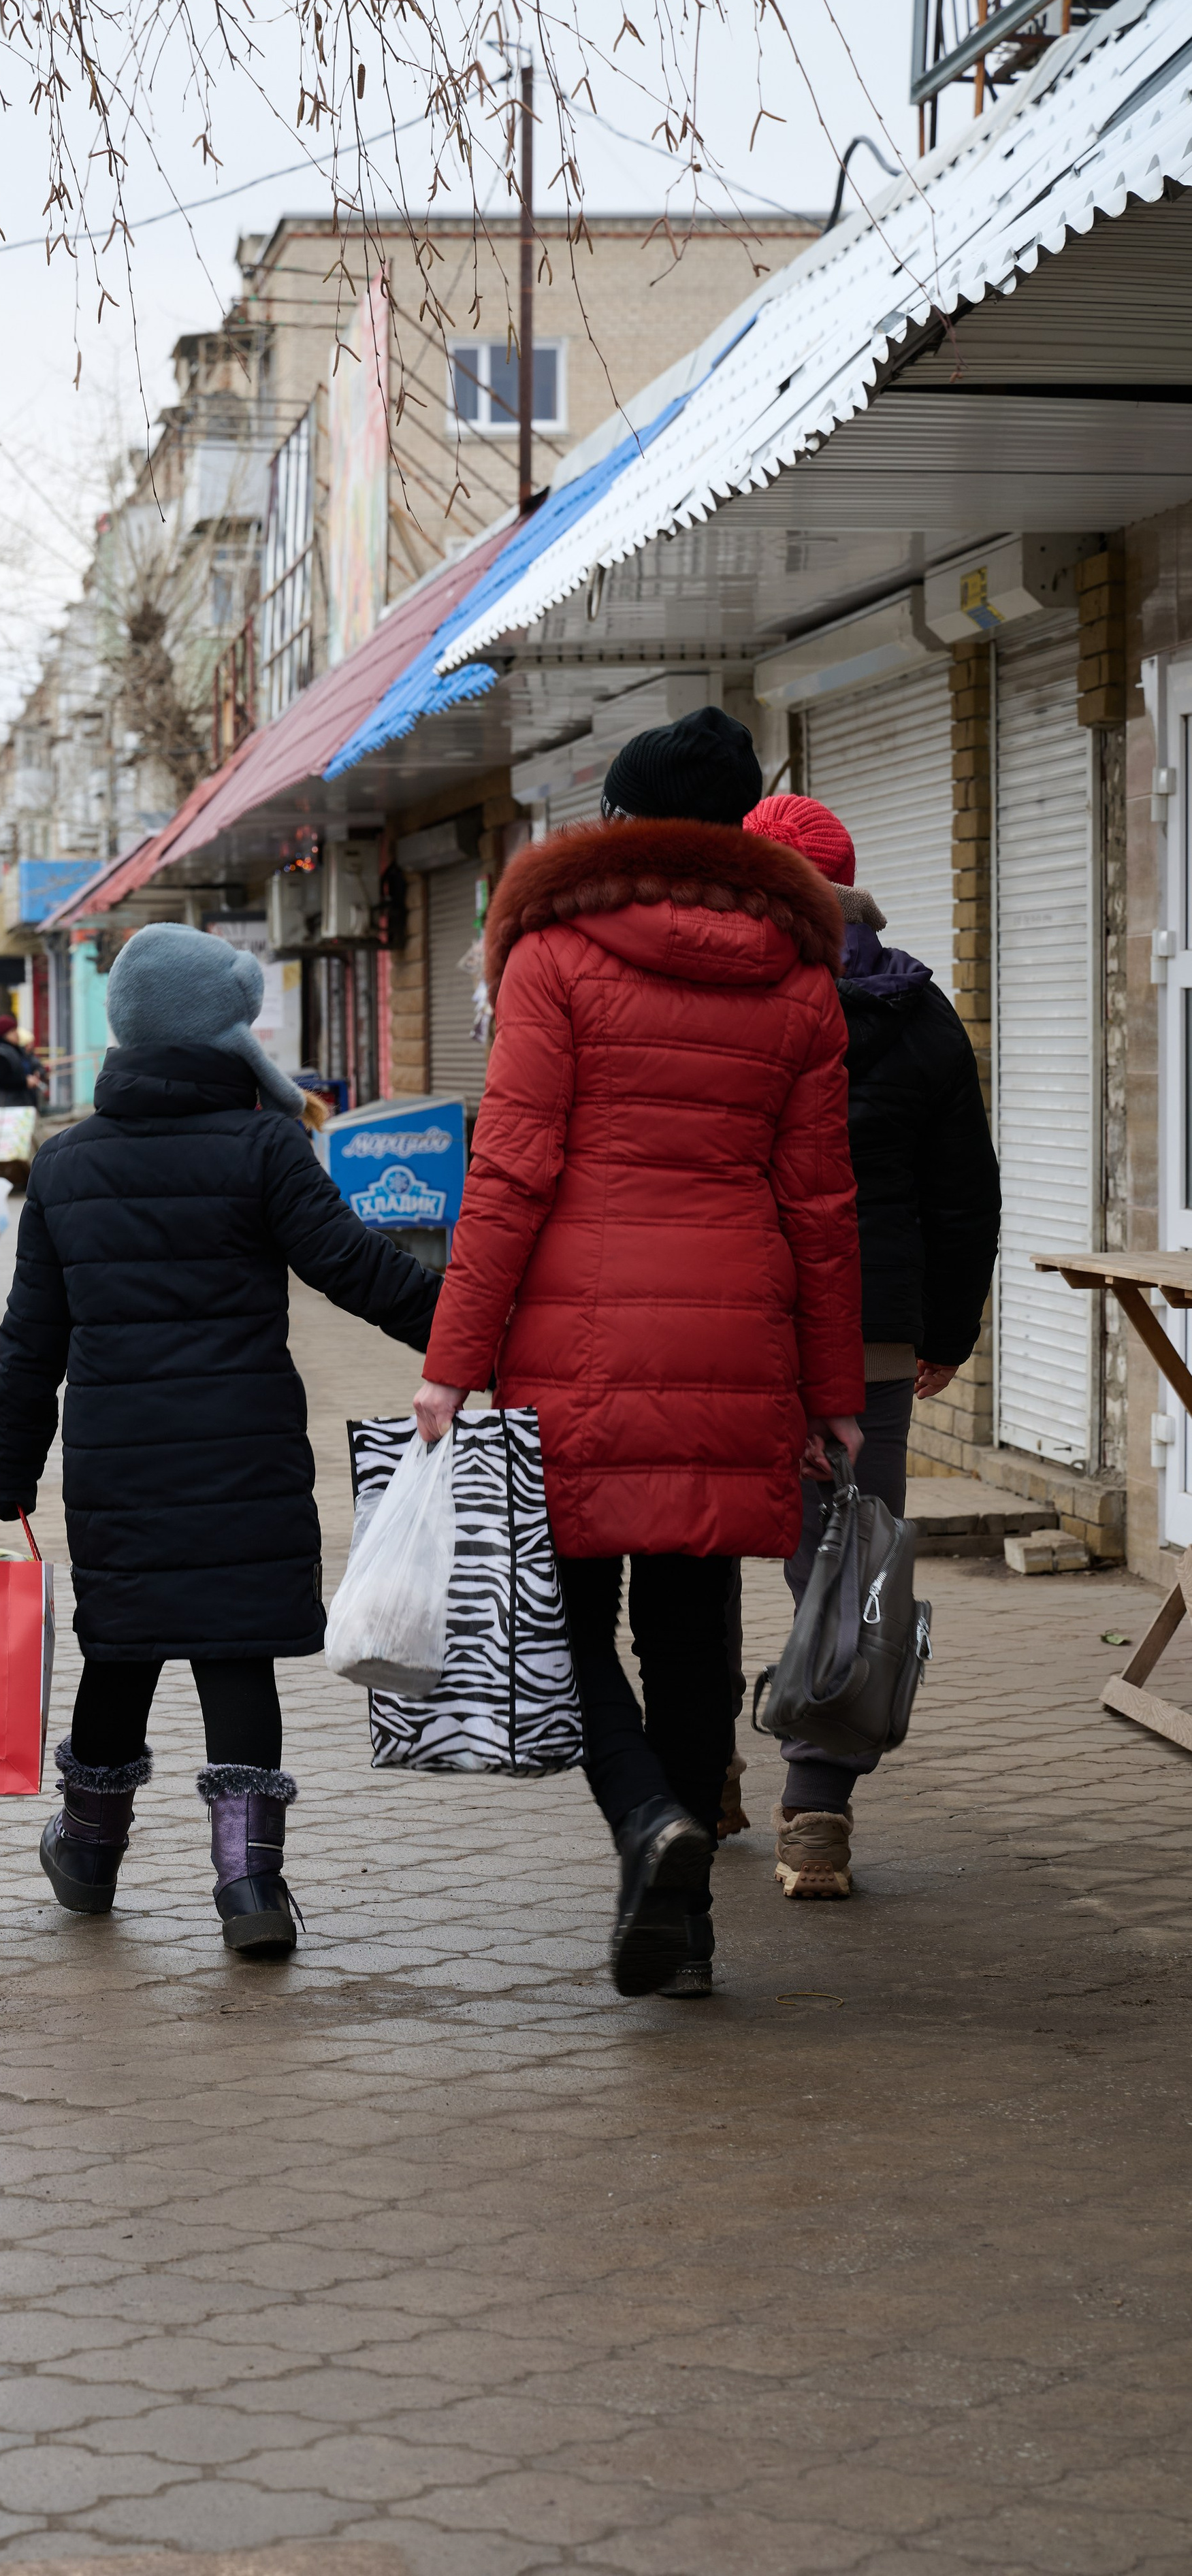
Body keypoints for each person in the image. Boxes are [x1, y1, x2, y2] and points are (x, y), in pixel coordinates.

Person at [414, 708, 865, 2002]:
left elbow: (506, 1173)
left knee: (559, 1613)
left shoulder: (555, 957)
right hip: (738, 1327)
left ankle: (645, 1824)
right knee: (691, 1619)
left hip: (578, 1330)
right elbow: (824, 1204)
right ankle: (689, 1930)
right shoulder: (797, 973)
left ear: (625, 821)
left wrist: (452, 1363)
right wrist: (833, 1393)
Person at [0, 920, 439, 1955]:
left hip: (117, 1461)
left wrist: (5, 1474)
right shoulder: (263, 1146)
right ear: (216, 1031)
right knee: (236, 1658)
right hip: (243, 1453)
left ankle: (89, 1855)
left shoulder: (67, 1164)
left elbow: (31, 1341)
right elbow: (361, 1271)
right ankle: (249, 1889)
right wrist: (481, 1334)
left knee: (122, 1652)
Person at [745, 789, 1001, 1900]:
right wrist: (945, 1330)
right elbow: (965, 1196)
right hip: (869, 1335)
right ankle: (817, 1811)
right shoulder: (920, 1012)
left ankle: (703, 1770)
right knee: (852, 1556)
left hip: (726, 1322)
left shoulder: (710, 995)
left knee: (695, 1550)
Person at [0, 1017, 48, 1109]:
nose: (17, 1034)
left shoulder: (16, 1051)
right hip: (3, 1108)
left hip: (15, 1106)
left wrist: (38, 1072)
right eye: (13, 1031)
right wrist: (25, 1082)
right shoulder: (0, 1054)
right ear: (4, 1034)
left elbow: (30, 1065)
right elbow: (2, 1080)